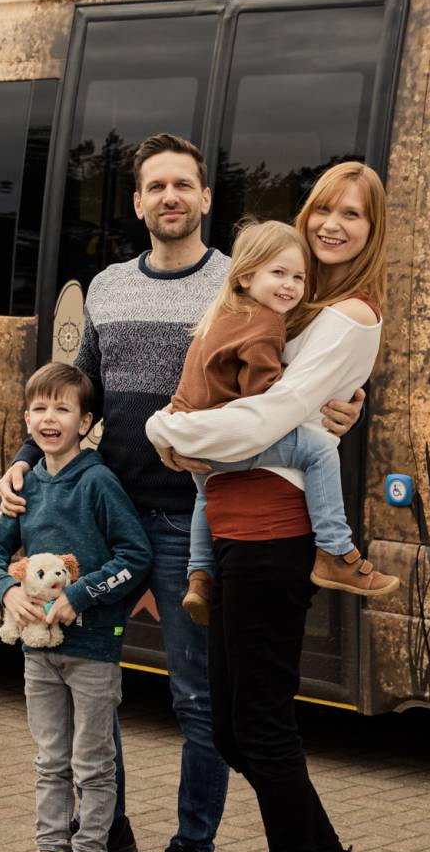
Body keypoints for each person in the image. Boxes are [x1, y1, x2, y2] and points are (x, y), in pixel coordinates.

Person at [0, 133, 364, 852]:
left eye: (184, 186)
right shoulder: (108, 287)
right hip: (109, 516)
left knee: (198, 701)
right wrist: (27, 455)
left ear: (204, 199)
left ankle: (192, 850)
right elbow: (75, 389)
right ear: (137, 202)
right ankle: (105, 830)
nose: (170, 197)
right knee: (95, 677)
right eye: (155, 186)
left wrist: (344, 405)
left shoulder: (240, 285)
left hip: (192, 516)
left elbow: (295, 383)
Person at [146, 162, 387, 852]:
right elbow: (281, 410)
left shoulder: (348, 315)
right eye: (323, 208)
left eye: (352, 215)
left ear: (371, 229)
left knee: (259, 726)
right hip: (243, 528)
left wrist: (169, 435)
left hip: (271, 537)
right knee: (240, 728)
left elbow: (270, 419)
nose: (332, 225)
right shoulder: (299, 308)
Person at [159, 217, 400, 626]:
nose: (289, 285)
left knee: (203, 495)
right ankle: (336, 551)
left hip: (193, 437)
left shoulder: (222, 314)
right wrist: (307, 383)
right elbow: (263, 398)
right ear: (247, 275)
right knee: (321, 450)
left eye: (299, 278)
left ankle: (198, 576)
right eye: (279, 274)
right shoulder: (266, 323)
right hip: (223, 438)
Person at [0, 363, 151, 852]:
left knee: (92, 766)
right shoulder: (25, 487)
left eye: (62, 410)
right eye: (39, 410)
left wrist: (80, 594)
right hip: (38, 653)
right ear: (28, 420)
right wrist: (7, 592)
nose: (50, 419)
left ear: (86, 422)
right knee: (50, 761)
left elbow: (135, 556)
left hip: (94, 650)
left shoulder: (97, 483)